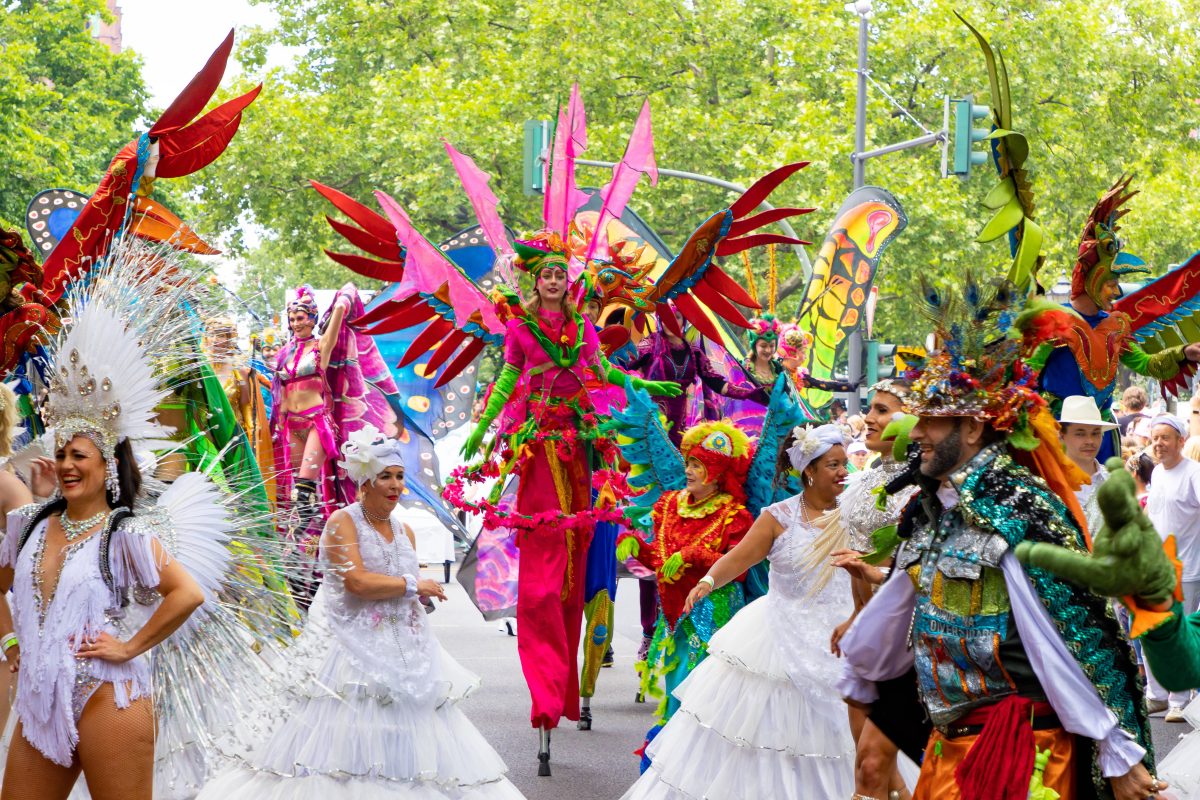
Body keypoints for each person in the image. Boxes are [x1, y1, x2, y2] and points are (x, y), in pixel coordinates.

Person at [839, 306, 1160, 799]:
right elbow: (901, 602)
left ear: (971, 430)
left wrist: (1113, 748)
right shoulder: (934, 508)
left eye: (932, 420)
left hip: (1021, 755)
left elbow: (1059, 638)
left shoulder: (1017, 507)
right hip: (952, 749)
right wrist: (862, 669)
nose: (917, 432)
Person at [197, 427, 525, 800]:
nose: (395, 485)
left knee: (414, 738)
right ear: (364, 482)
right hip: (348, 651)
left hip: (404, 653)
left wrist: (417, 597)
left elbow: (403, 586)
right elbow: (356, 582)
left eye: (400, 477)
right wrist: (413, 586)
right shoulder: (343, 522)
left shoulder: (404, 531)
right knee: (342, 744)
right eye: (386, 476)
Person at [455, 235, 679, 774]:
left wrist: (643, 386)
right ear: (535, 281)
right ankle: (544, 684)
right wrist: (485, 426)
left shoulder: (581, 328)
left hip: (579, 447)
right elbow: (510, 378)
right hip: (538, 447)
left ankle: (570, 677)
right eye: (546, 274)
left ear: (567, 281)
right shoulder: (520, 329)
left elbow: (599, 375)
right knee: (544, 571)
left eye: (561, 274)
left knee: (575, 571)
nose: (554, 281)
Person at [621, 424, 857, 799]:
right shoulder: (779, 516)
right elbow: (740, 557)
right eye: (834, 464)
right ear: (809, 471)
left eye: (846, 463)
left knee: (841, 738)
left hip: (842, 638)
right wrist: (707, 582)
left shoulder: (857, 514)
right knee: (764, 736)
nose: (845, 472)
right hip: (778, 638)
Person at [615, 421, 753, 747]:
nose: (688, 471)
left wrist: (695, 555)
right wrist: (637, 547)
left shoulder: (734, 515)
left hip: (713, 620)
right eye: (688, 462)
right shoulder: (668, 504)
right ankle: (675, 762)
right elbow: (662, 563)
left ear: (718, 471)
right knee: (676, 690)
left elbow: (742, 568)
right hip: (676, 618)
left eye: (697, 465)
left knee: (704, 696)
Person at [827, 379, 921, 800]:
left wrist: (869, 596)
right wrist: (855, 616)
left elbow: (908, 565)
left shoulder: (920, 483)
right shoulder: (868, 476)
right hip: (869, 627)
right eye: (870, 408)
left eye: (883, 410)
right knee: (869, 761)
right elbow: (857, 555)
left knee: (872, 762)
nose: (869, 418)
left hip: (904, 627)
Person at [628, 306, 765, 446]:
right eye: (666, 317)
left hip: (677, 424)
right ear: (660, 319)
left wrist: (750, 393)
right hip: (650, 417)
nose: (671, 322)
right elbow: (626, 368)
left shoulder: (693, 353)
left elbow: (717, 383)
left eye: (677, 317)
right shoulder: (649, 345)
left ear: (684, 320)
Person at [1142, 412, 1200, 721]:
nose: (1159, 444)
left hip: (1188, 569)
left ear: (1181, 441)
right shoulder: (1157, 473)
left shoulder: (1194, 473)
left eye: (1166, 438)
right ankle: (1156, 696)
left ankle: (1179, 701)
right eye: (1155, 438)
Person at [1058, 395, 1120, 533]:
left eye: (1095, 433)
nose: (1090, 441)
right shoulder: (1050, 483)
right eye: (1080, 434)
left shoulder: (1114, 482)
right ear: (1062, 436)